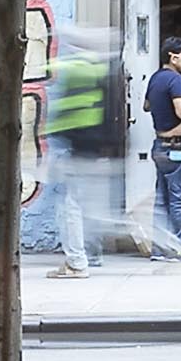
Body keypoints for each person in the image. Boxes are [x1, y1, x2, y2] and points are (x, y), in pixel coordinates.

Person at [38, 40, 128, 274]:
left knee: (71, 208)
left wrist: (55, 133)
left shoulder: (79, 70)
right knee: (91, 208)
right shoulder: (105, 73)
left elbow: (70, 113)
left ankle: (77, 262)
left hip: (80, 151)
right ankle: (93, 255)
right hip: (97, 152)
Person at [145, 51, 181, 248]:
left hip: (160, 146)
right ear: (172, 57)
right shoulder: (175, 79)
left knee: (161, 201)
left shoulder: (155, 78)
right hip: (176, 147)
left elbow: (146, 105)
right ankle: (178, 247)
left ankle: (159, 249)